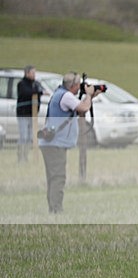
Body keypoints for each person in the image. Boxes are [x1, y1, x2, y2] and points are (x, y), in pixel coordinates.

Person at [39, 72, 99, 214]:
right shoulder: (66, 96)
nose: (79, 88)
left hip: (51, 143)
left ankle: (53, 208)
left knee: (53, 177)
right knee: (58, 177)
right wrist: (89, 95)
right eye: (78, 86)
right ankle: (56, 210)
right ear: (73, 86)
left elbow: (78, 108)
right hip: (55, 144)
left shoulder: (60, 93)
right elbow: (83, 108)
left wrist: (91, 95)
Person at [16, 65, 43, 163]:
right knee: (23, 136)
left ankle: (26, 156)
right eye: (32, 73)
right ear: (27, 73)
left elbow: (40, 91)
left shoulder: (35, 84)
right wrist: (37, 92)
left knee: (30, 137)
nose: (34, 75)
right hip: (23, 114)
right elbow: (26, 92)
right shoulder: (22, 84)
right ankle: (21, 156)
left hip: (33, 114)